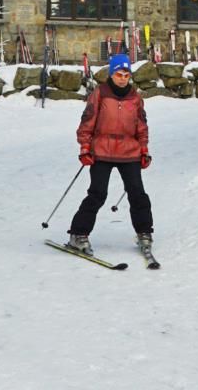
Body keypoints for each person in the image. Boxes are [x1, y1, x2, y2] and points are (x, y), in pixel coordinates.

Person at [67, 53, 153, 261]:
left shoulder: (135, 97)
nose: (122, 79)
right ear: (111, 74)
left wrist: (144, 150)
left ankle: (144, 232)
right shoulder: (100, 94)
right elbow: (87, 122)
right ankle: (78, 234)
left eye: (126, 75)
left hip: (129, 151)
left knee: (137, 193)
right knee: (97, 194)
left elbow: (141, 126)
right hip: (102, 151)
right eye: (119, 74)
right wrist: (85, 148)